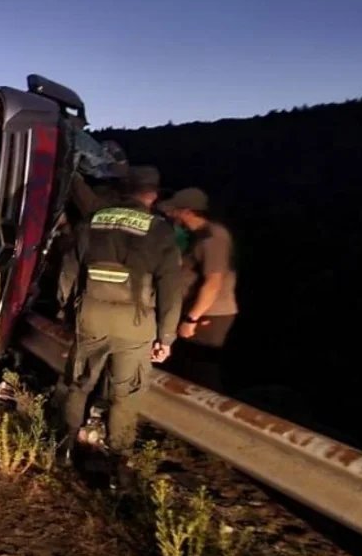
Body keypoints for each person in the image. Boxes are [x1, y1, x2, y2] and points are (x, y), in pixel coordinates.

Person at [57, 166, 183, 470]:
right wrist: (166, 337)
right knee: (125, 395)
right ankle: (118, 466)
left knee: (79, 384)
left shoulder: (93, 221)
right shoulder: (159, 229)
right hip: (136, 327)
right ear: (151, 194)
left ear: (124, 190)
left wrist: (65, 309)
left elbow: (69, 270)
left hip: (92, 317)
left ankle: (63, 450)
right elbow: (170, 288)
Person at [158, 187, 238, 393]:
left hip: (209, 315)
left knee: (201, 371)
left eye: (175, 210)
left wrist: (191, 319)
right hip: (197, 311)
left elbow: (213, 282)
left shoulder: (212, 238)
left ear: (187, 211)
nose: (171, 215)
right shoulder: (198, 236)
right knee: (186, 366)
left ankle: (207, 415)